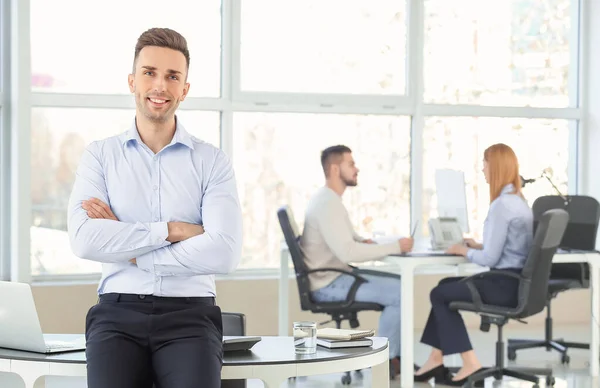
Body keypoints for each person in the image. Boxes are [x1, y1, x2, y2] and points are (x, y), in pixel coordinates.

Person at [67, 28, 242, 388]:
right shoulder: (100, 156)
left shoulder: (212, 162)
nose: (160, 86)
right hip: (116, 313)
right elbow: (85, 240)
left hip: (190, 316)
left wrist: (130, 250)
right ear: (132, 81)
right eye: (149, 73)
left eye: (172, 76)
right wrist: (173, 231)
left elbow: (224, 253)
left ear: (185, 89)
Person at [414, 143, 533, 386]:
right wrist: (477, 246)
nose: (483, 169)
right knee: (445, 286)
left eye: (485, 163)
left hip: (503, 283)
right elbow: (506, 247)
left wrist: (463, 250)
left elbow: (490, 259)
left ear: (496, 167)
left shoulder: (502, 205)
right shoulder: (518, 200)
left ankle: (469, 362)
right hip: (514, 281)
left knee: (440, 293)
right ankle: (436, 357)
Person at [300, 144, 414, 378]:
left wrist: (367, 242)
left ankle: (394, 358)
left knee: (401, 284)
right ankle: (386, 360)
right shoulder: (327, 203)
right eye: (350, 164)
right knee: (401, 291)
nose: (356, 169)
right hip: (329, 284)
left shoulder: (329, 200)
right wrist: (395, 247)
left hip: (334, 276)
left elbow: (348, 240)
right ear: (334, 169)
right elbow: (349, 253)